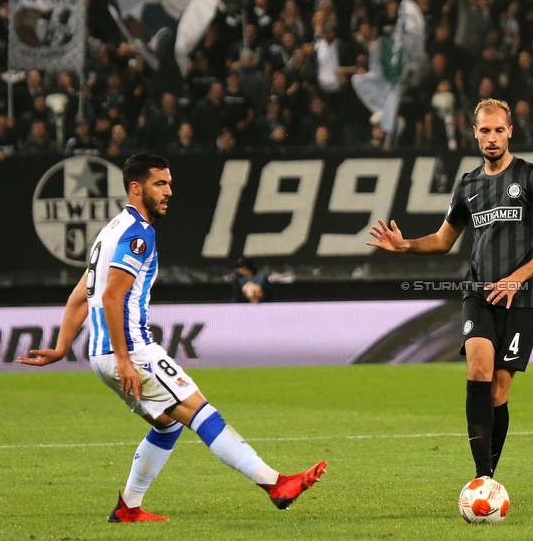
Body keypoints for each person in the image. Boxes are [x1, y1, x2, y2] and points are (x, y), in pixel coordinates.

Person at [19, 153, 325, 522]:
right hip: (131, 350)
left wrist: (63, 346)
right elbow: (111, 297)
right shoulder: (138, 234)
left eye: (169, 183)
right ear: (136, 188)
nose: (169, 192)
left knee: (168, 424)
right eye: (159, 184)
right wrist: (123, 358)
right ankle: (275, 484)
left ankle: (129, 507)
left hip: (104, 353)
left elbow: (80, 295)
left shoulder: (110, 230)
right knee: (203, 415)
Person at [367, 98, 533, 483]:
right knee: (478, 368)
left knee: (499, 387)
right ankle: (482, 478)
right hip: (478, 292)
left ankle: (489, 475)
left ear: (510, 131)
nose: (491, 137)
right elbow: (444, 240)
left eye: (498, 130)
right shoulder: (469, 184)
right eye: (484, 130)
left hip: (522, 297)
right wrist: (405, 244)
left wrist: (517, 278)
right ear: (474, 133)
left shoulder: (531, 177)